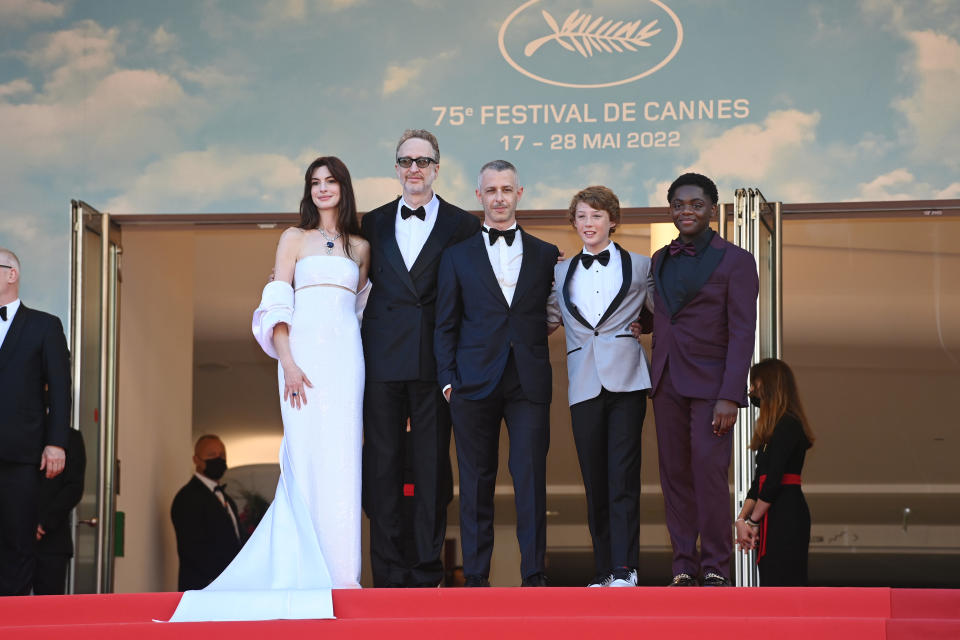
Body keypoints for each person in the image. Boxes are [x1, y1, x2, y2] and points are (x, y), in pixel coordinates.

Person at [171, 156, 369, 621]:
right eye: (315, 182)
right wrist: (290, 363)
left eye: (331, 181)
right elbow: (278, 302)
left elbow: (358, 314)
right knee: (305, 457)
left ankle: (342, 575)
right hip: (300, 361)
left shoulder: (360, 246)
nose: (323, 189)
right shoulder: (292, 238)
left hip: (346, 363)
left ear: (344, 187)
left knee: (343, 464)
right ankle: (304, 571)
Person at [360, 129, 479, 588]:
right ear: (396, 168)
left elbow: (480, 288)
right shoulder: (370, 222)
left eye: (423, 161)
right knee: (383, 468)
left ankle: (428, 571)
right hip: (383, 359)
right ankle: (387, 573)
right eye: (406, 161)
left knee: (432, 470)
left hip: (436, 360)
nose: (414, 169)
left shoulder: (463, 225)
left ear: (436, 167)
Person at [435, 160, 560, 587]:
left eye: (507, 189)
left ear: (519, 194)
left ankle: (534, 574)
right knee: (474, 482)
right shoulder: (455, 257)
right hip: (471, 382)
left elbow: (560, 310)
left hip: (528, 380)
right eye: (491, 190)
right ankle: (475, 577)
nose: (499, 197)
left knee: (530, 479)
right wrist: (448, 380)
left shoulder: (546, 255)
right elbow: (445, 323)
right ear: (479, 197)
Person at [649, 173, 759, 587]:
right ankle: (682, 566)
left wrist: (731, 394)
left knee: (709, 474)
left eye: (695, 204)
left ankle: (715, 565)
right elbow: (665, 315)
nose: (686, 211)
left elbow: (742, 330)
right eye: (678, 204)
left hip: (713, 388)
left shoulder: (736, 260)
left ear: (713, 208)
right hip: (666, 382)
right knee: (674, 477)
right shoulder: (660, 258)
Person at [546, 186, 654, 588]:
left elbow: (666, 313)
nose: (588, 224)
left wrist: (648, 324)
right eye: (581, 217)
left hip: (626, 377)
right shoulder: (559, 271)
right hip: (584, 382)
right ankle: (604, 569)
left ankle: (626, 569)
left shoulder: (643, 266)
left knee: (623, 476)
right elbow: (549, 318)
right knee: (594, 479)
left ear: (612, 220)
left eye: (595, 216)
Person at [0, 248, 71, 597]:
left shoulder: (45, 325)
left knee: (17, 539)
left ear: (11, 274)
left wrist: (56, 442)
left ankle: (9, 617)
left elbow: (60, 389)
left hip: (21, 453)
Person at [735, 358, 814, 586]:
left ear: (769, 384)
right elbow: (756, 484)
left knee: (785, 577)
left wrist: (751, 522)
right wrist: (741, 520)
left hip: (787, 513)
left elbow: (773, 482)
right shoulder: (771, 431)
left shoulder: (788, 424)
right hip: (771, 512)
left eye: (754, 384)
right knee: (770, 576)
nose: (751, 390)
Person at [170, 435, 243, 592]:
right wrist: (224, 578)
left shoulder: (228, 499)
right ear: (196, 460)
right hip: (204, 589)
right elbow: (193, 549)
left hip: (231, 587)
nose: (218, 459)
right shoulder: (187, 497)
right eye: (211, 455)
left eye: (222, 455)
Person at [33, 427, 86, 595]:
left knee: (49, 612)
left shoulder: (71, 438)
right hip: (11, 537)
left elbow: (74, 488)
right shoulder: (16, 432)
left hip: (52, 541)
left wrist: (43, 523)